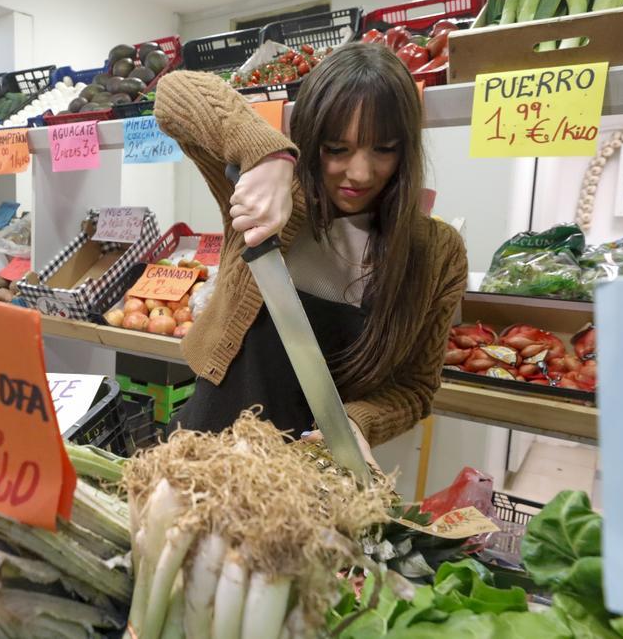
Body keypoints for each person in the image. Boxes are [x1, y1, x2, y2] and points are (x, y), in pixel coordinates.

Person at [154, 42, 467, 451]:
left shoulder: (436, 254)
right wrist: (268, 158)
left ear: (406, 149)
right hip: (207, 442)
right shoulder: (266, 203)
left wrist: (358, 425)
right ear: (312, 135)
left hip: (311, 477)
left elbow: (415, 388)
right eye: (337, 149)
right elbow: (174, 93)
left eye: (384, 150)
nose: (359, 173)